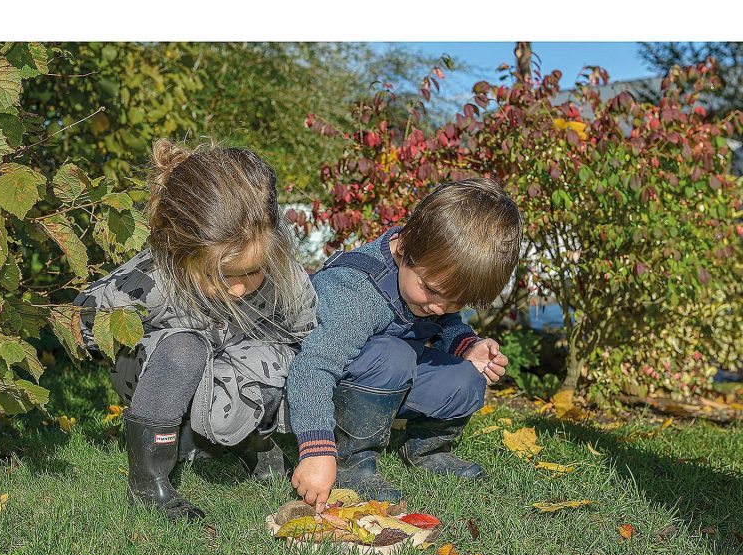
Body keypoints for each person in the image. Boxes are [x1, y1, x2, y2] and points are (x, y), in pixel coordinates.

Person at [73, 139, 317, 523]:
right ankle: (150, 479)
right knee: (184, 349)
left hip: (235, 371)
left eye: (251, 272)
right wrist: (142, 332)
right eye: (218, 275)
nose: (237, 289)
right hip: (162, 374)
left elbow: (307, 341)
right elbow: (82, 321)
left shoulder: (287, 280)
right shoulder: (151, 280)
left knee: (284, 354)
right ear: (178, 250)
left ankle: (252, 440)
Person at [286, 177, 522, 511]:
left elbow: (443, 323)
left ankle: (429, 450)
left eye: (457, 301)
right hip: (333, 387)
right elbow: (313, 367)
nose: (439, 307)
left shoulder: (430, 284)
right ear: (407, 244)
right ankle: (350, 459)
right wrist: (316, 449)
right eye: (432, 290)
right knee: (393, 355)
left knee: (466, 376)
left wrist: (466, 346)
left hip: (390, 380)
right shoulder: (353, 292)